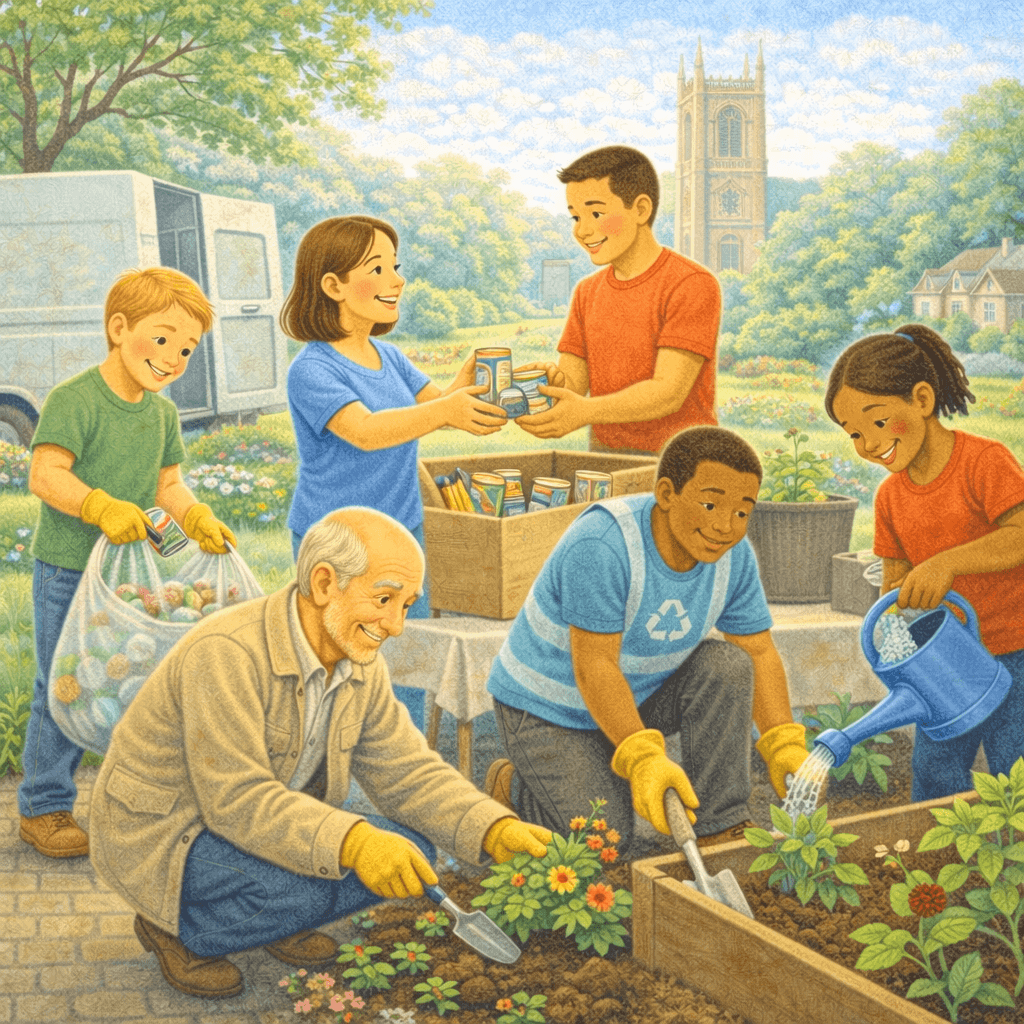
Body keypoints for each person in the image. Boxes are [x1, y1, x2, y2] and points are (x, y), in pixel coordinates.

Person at [89, 507, 550, 999]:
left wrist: (494, 827)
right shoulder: (227, 652)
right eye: (384, 599)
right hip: (170, 830)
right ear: (326, 582)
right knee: (308, 885)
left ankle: (275, 918)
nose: (395, 625)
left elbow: (406, 770)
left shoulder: (355, 656)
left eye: (407, 605)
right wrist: (355, 844)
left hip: (256, 822)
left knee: (416, 852)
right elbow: (236, 801)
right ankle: (178, 931)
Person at [483, 426, 810, 855]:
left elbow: (758, 650)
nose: (724, 526)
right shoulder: (603, 544)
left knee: (726, 664)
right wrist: (642, 757)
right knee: (605, 842)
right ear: (667, 492)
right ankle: (516, 786)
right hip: (549, 707)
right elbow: (594, 667)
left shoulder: (734, 556)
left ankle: (719, 823)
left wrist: (782, 741)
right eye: (711, 504)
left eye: (742, 513)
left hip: (635, 694)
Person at [19, 267, 236, 860]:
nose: (173, 358)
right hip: (68, 569)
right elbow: (45, 475)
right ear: (119, 328)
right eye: (162, 338)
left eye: (187, 348)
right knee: (60, 681)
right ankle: (44, 806)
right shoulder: (75, 399)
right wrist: (98, 505)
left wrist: (195, 518)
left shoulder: (161, 415)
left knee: (129, 682)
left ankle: (131, 802)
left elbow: (169, 485)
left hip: (131, 576)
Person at [281, 216, 507, 727]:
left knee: (400, 666)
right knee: (341, 669)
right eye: (377, 268)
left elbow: (437, 405)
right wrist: (446, 410)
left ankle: (391, 779)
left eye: (395, 267)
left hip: (403, 537)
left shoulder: (390, 355)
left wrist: (464, 387)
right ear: (333, 286)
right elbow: (364, 430)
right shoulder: (313, 368)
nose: (397, 280)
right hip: (339, 544)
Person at [826, 324, 1024, 801]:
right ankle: (931, 871)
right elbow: (894, 588)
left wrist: (946, 564)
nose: (868, 444)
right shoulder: (891, 496)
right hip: (944, 663)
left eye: (876, 422)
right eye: (854, 433)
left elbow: (1020, 535)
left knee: (1015, 771)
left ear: (921, 398)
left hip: (1015, 651)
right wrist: (894, 643)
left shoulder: (984, 462)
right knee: (935, 773)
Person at [515, 146, 721, 456]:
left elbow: (667, 393)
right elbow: (572, 388)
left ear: (640, 210)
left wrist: (582, 411)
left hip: (679, 464)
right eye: (575, 216)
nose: (583, 230)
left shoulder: (691, 283)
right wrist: (546, 385)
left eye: (596, 213)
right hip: (603, 457)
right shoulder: (587, 292)